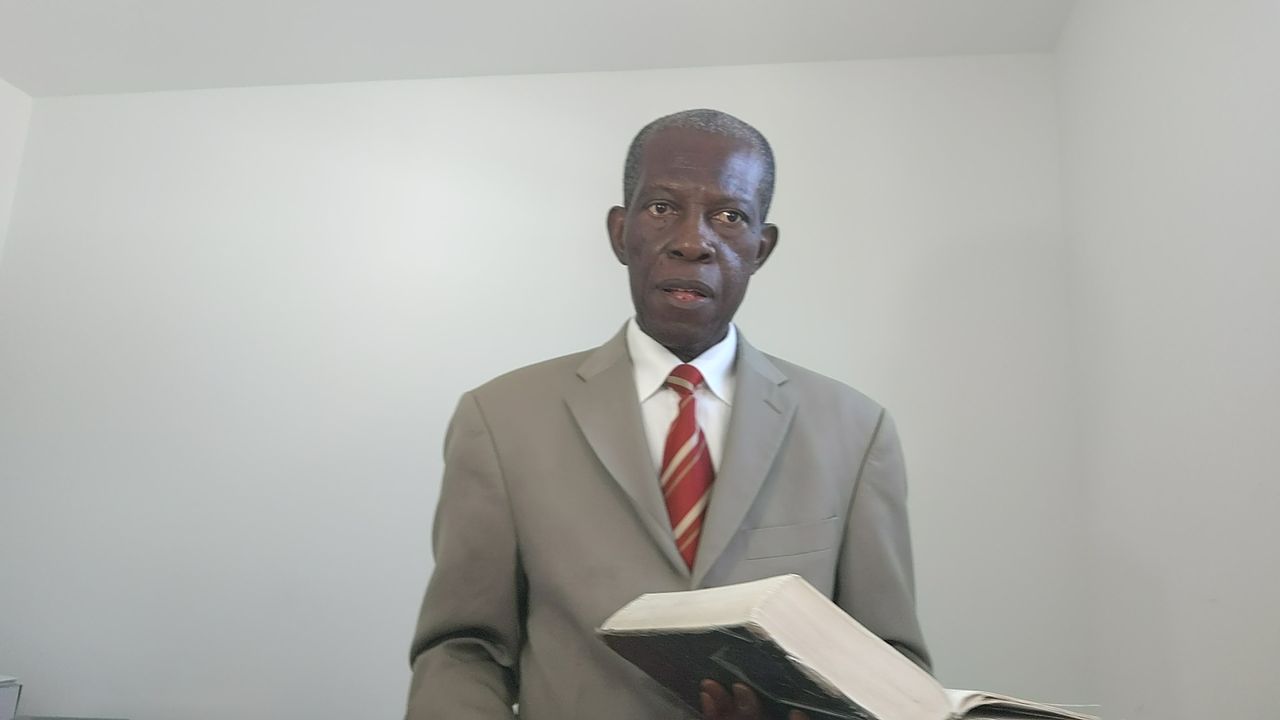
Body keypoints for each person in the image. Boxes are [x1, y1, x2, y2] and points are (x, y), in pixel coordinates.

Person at [405, 109, 930, 720]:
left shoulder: (856, 433)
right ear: (619, 231)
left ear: (760, 248)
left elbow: (892, 668)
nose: (692, 241)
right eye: (661, 207)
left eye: (729, 217)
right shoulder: (500, 420)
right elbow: (463, 651)